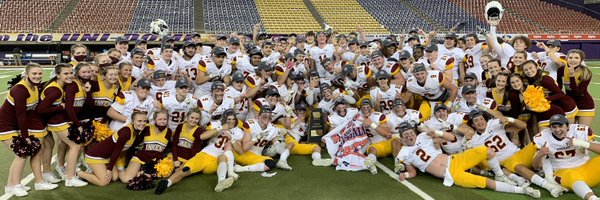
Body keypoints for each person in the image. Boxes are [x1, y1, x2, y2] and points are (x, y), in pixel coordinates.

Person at [395, 122, 540, 198]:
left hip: (455, 159)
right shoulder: (403, 153)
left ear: (414, 133)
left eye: (410, 133)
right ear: (401, 138)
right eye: (405, 135)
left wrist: (436, 133)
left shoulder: (423, 137)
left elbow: (451, 138)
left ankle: (500, 175)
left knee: (485, 150)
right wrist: (406, 175)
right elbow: (412, 171)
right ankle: (523, 191)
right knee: (484, 183)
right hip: (450, 175)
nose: (409, 136)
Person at [0, 63, 56, 196]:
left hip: (16, 125)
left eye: (39, 74)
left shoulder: (35, 87)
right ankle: (16, 185)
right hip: (5, 125)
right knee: (21, 154)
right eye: (34, 74)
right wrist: (25, 137)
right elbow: (21, 115)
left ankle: (10, 185)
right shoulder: (20, 90)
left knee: (21, 154)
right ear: (27, 74)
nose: (37, 76)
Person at [37, 64, 87, 187]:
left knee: (49, 145)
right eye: (66, 73)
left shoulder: (59, 85)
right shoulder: (55, 90)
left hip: (49, 119)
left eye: (71, 73)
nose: (69, 76)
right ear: (58, 74)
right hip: (50, 120)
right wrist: (61, 107)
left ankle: (47, 173)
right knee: (75, 145)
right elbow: (41, 110)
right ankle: (70, 178)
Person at [532, 114, 600, 200]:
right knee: (571, 175)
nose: (557, 130)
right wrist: (540, 154)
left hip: (586, 169)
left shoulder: (579, 131)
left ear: (568, 126)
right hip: (563, 172)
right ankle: (593, 198)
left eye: (560, 126)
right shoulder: (543, 137)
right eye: (554, 127)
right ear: (550, 128)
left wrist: (583, 143)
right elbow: (536, 167)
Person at [77, 111, 148, 186]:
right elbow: (116, 151)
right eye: (139, 121)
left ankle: (95, 171)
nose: (142, 123)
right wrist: (109, 169)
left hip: (107, 157)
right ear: (133, 121)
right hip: (95, 155)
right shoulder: (126, 132)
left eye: (144, 121)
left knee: (114, 178)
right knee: (104, 182)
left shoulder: (137, 131)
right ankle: (78, 172)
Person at [119, 109, 172, 183]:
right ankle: (121, 170)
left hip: (155, 163)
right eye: (160, 119)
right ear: (154, 120)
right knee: (126, 180)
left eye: (165, 119)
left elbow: (169, 147)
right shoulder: (146, 128)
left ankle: (140, 173)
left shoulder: (169, 132)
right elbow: (134, 141)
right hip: (140, 158)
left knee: (164, 174)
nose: (162, 121)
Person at [557, 49, 594, 126]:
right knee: (569, 130)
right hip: (569, 104)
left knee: (582, 132)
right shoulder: (561, 70)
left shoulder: (586, 73)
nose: (573, 60)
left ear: (581, 60)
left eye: (576, 58)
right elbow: (559, 88)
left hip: (585, 104)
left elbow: (577, 93)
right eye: (570, 57)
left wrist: (571, 76)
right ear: (567, 59)